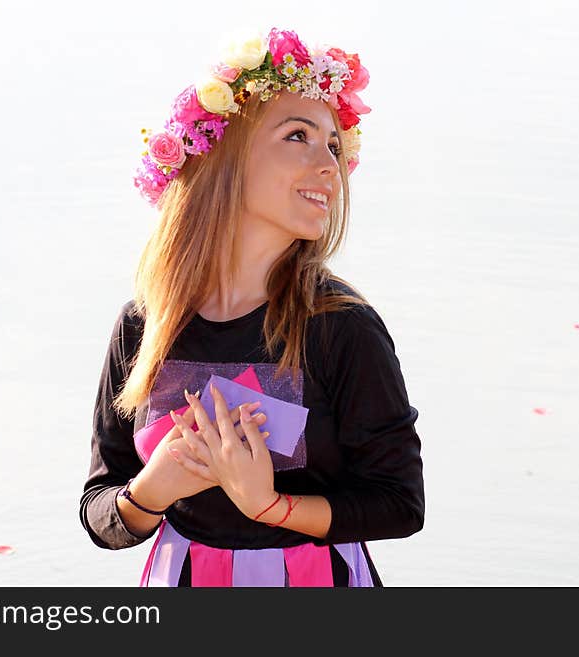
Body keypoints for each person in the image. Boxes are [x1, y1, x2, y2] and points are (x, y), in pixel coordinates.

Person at [79, 27, 424, 586]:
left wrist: (268, 506)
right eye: (298, 136)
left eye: (333, 146)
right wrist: (151, 492)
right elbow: (101, 511)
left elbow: (401, 503)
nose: (328, 165)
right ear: (225, 155)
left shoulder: (341, 327)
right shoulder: (144, 324)